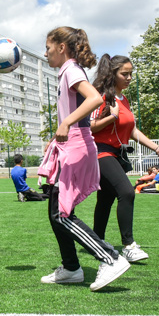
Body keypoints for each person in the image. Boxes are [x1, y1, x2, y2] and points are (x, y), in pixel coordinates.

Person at [37, 27, 130, 291]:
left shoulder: (71, 70)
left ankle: (110, 258)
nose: (46, 53)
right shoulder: (66, 71)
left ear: (61, 47)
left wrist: (66, 122)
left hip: (77, 147)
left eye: (48, 47)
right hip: (72, 145)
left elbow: (94, 98)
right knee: (56, 212)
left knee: (62, 214)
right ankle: (71, 268)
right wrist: (59, 133)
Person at [90, 53, 159, 263]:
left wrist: (156, 148)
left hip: (115, 153)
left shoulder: (123, 99)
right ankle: (129, 245)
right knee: (127, 192)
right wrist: (112, 116)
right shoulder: (100, 96)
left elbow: (132, 130)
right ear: (112, 73)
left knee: (106, 199)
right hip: (100, 151)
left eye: (131, 74)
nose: (129, 78)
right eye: (124, 74)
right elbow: (89, 126)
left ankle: (96, 241)